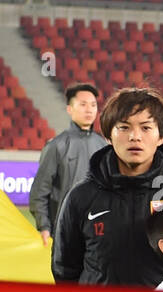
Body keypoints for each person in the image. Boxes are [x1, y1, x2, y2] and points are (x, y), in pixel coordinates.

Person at [51, 86, 163, 287]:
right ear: (109, 136)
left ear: (161, 137)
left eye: (145, 128)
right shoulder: (81, 197)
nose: (135, 136)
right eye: (124, 127)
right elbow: (65, 270)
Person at [30, 83, 107, 246]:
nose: (89, 109)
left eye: (93, 105)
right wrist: (44, 226)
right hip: (64, 233)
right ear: (69, 109)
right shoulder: (56, 146)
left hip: (97, 233)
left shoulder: (103, 147)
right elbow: (39, 191)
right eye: (83, 104)